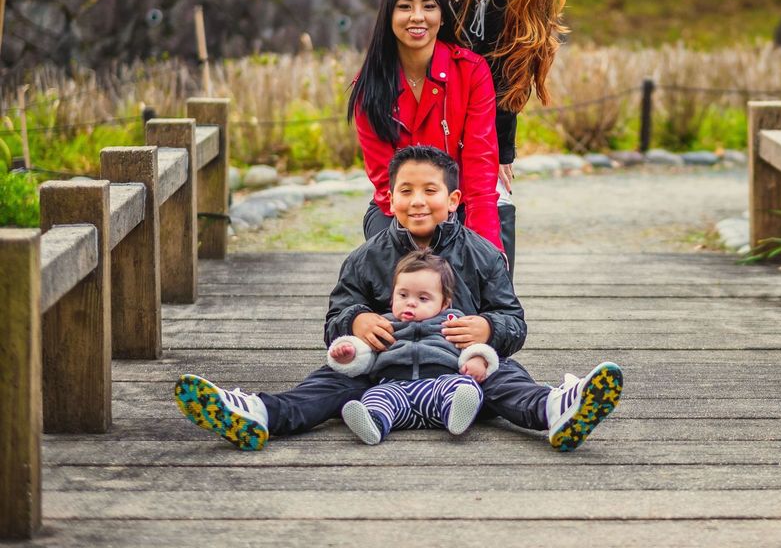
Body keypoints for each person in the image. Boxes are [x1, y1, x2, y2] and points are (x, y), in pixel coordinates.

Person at [174, 145, 622, 452]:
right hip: (382, 376)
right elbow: (336, 316)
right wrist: (356, 322)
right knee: (323, 386)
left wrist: (487, 329)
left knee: (508, 379)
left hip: (459, 371)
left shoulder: (482, 253)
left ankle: (556, 409)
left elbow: (512, 319)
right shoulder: (367, 257)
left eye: (431, 191)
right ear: (389, 199)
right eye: (406, 191)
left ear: (454, 199)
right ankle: (256, 414)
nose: (418, 201)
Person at [424, 0, 569, 270]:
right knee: (430, 194)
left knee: (492, 198)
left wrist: (501, 151)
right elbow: (413, 31)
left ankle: (494, 298)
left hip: (486, 112)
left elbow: (515, 75)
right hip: (432, 101)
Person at [347, 0, 501, 249]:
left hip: (459, 203)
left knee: (485, 274)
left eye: (429, 6)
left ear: (442, 16)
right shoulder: (369, 86)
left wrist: (489, 249)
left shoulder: (471, 72)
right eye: (405, 7)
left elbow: (480, 167)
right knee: (406, 273)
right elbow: (385, 181)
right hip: (399, 208)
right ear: (388, 16)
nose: (417, 17)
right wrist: (425, 240)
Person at [327, 248, 499, 444]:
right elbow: (366, 355)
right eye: (403, 295)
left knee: (463, 386)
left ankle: (456, 412)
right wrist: (349, 353)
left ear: (444, 304)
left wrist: (478, 359)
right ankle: (374, 424)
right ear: (392, 297)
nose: (411, 303)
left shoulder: (452, 322)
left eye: (423, 298)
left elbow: (471, 346)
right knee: (375, 396)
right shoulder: (383, 324)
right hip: (395, 389)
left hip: (437, 388)